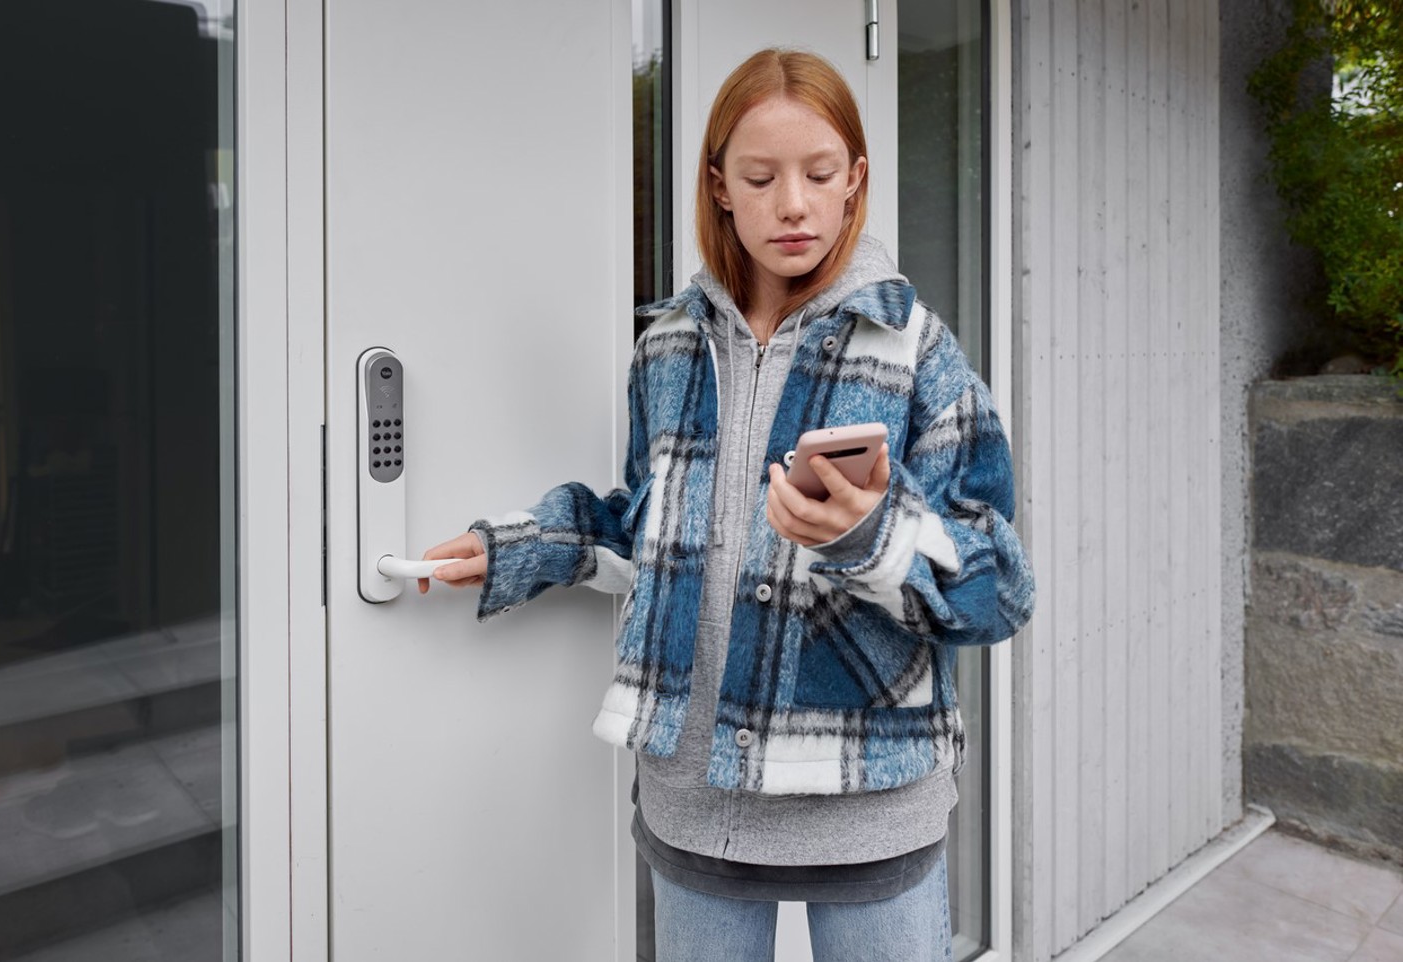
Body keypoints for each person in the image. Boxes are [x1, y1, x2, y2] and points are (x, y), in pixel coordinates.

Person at [417, 48, 1034, 962]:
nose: (793, 202)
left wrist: (874, 535)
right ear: (718, 187)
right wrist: (523, 548)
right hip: (695, 797)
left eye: (820, 174)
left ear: (855, 180)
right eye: (761, 176)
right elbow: (648, 526)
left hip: (868, 800)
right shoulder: (666, 347)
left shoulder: (917, 353)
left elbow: (1000, 586)